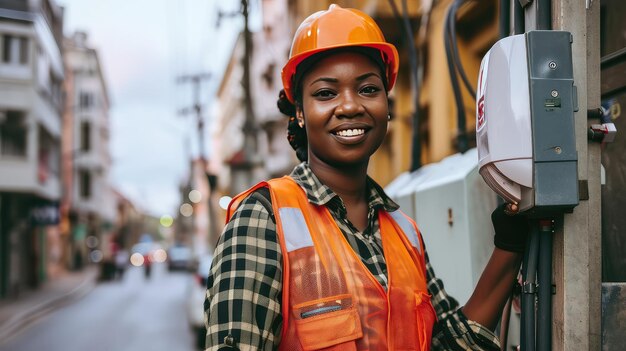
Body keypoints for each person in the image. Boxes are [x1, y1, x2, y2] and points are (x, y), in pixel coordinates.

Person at [204, 4, 527, 350]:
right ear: (299, 111)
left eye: (368, 89)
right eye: (326, 93)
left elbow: (452, 344)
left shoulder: (404, 233)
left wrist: (509, 246)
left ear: (387, 106)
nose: (349, 106)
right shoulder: (264, 217)